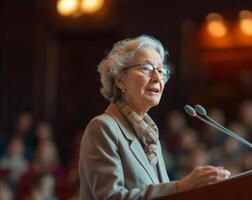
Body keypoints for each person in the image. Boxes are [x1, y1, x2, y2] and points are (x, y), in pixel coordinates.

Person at [79, 35, 231, 200]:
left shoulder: (150, 136)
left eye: (161, 71)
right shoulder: (103, 128)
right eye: (146, 68)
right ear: (120, 79)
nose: (158, 78)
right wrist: (181, 186)